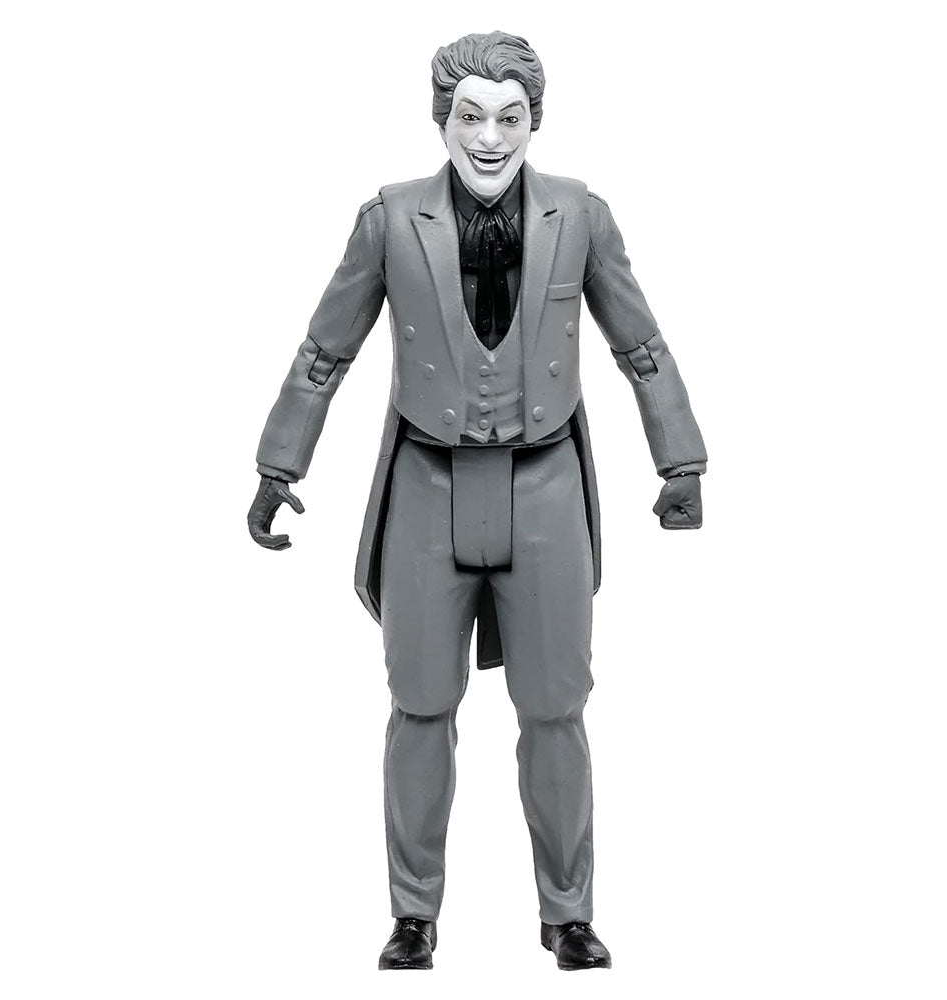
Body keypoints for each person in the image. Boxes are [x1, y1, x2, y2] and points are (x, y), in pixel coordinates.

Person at [248, 30, 707, 971]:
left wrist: (680, 460)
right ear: (442, 120)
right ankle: (413, 915)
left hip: (545, 486)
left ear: (535, 121)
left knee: (556, 707)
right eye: (471, 116)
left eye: (509, 117)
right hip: (428, 484)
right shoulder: (389, 220)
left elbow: (642, 345)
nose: (489, 138)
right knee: (419, 705)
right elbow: (324, 351)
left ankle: (567, 914)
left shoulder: (581, 217)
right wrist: (279, 465)